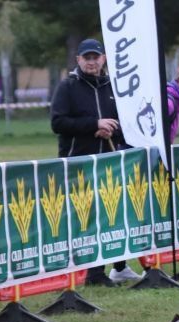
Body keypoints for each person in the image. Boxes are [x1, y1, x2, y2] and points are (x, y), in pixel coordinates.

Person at [50, 38, 140, 286]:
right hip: (78, 164)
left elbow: (125, 125)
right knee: (88, 219)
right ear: (78, 60)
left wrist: (112, 129)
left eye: (95, 57)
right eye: (86, 57)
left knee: (114, 215)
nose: (91, 61)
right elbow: (57, 123)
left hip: (110, 162)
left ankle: (120, 266)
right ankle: (94, 274)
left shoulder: (113, 86)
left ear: (104, 59)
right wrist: (93, 126)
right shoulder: (67, 86)